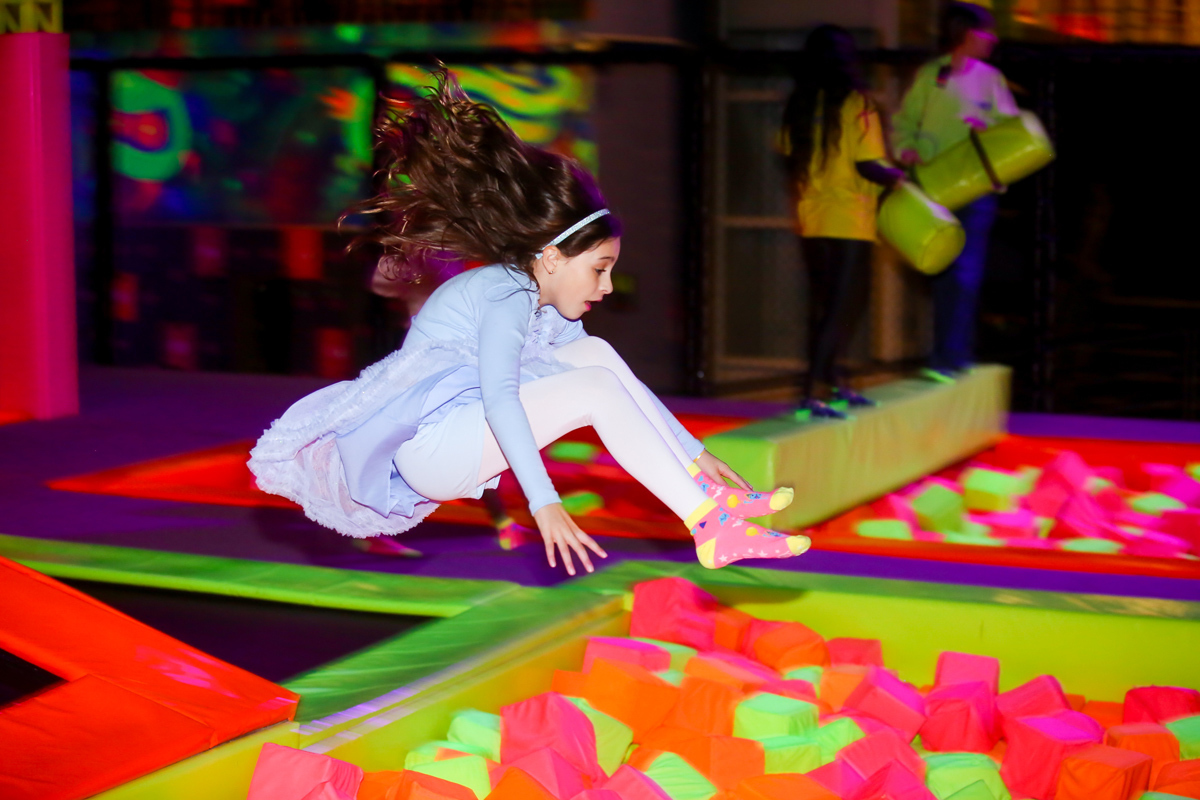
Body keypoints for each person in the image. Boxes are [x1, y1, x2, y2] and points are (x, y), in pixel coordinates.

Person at [250, 70, 809, 574]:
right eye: (599, 269)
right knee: (594, 386)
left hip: (459, 433)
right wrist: (544, 502)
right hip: (434, 445)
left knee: (596, 358)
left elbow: (612, 377)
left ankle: (706, 496)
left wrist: (694, 454)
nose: (607, 286)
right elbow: (501, 400)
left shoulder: (542, 303)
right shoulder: (505, 293)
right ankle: (710, 526)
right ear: (553, 257)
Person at [783, 25, 904, 419]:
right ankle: (811, 390)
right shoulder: (857, 103)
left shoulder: (800, 103)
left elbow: (789, 156)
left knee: (824, 307)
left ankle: (833, 384)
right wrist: (900, 178)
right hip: (850, 219)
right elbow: (868, 164)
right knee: (842, 310)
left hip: (812, 218)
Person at [892, 2, 1018, 381]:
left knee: (966, 274)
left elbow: (1012, 132)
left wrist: (987, 128)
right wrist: (907, 150)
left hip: (976, 188)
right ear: (965, 33)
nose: (992, 39)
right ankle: (944, 355)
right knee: (944, 272)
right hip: (934, 187)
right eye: (985, 31)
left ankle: (954, 355)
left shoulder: (991, 79)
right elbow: (904, 123)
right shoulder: (932, 75)